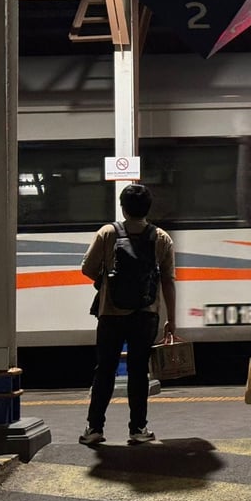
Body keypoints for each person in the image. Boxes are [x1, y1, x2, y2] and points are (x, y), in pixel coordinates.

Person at [79, 183, 176, 446]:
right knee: (139, 371)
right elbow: (168, 281)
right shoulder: (161, 238)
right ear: (148, 208)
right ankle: (138, 429)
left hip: (111, 313)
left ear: (123, 208)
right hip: (146, 314)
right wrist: (171, 320)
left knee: (105, 370)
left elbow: (87, 268)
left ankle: (94, 428)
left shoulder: (107, 233)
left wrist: (105, 281)